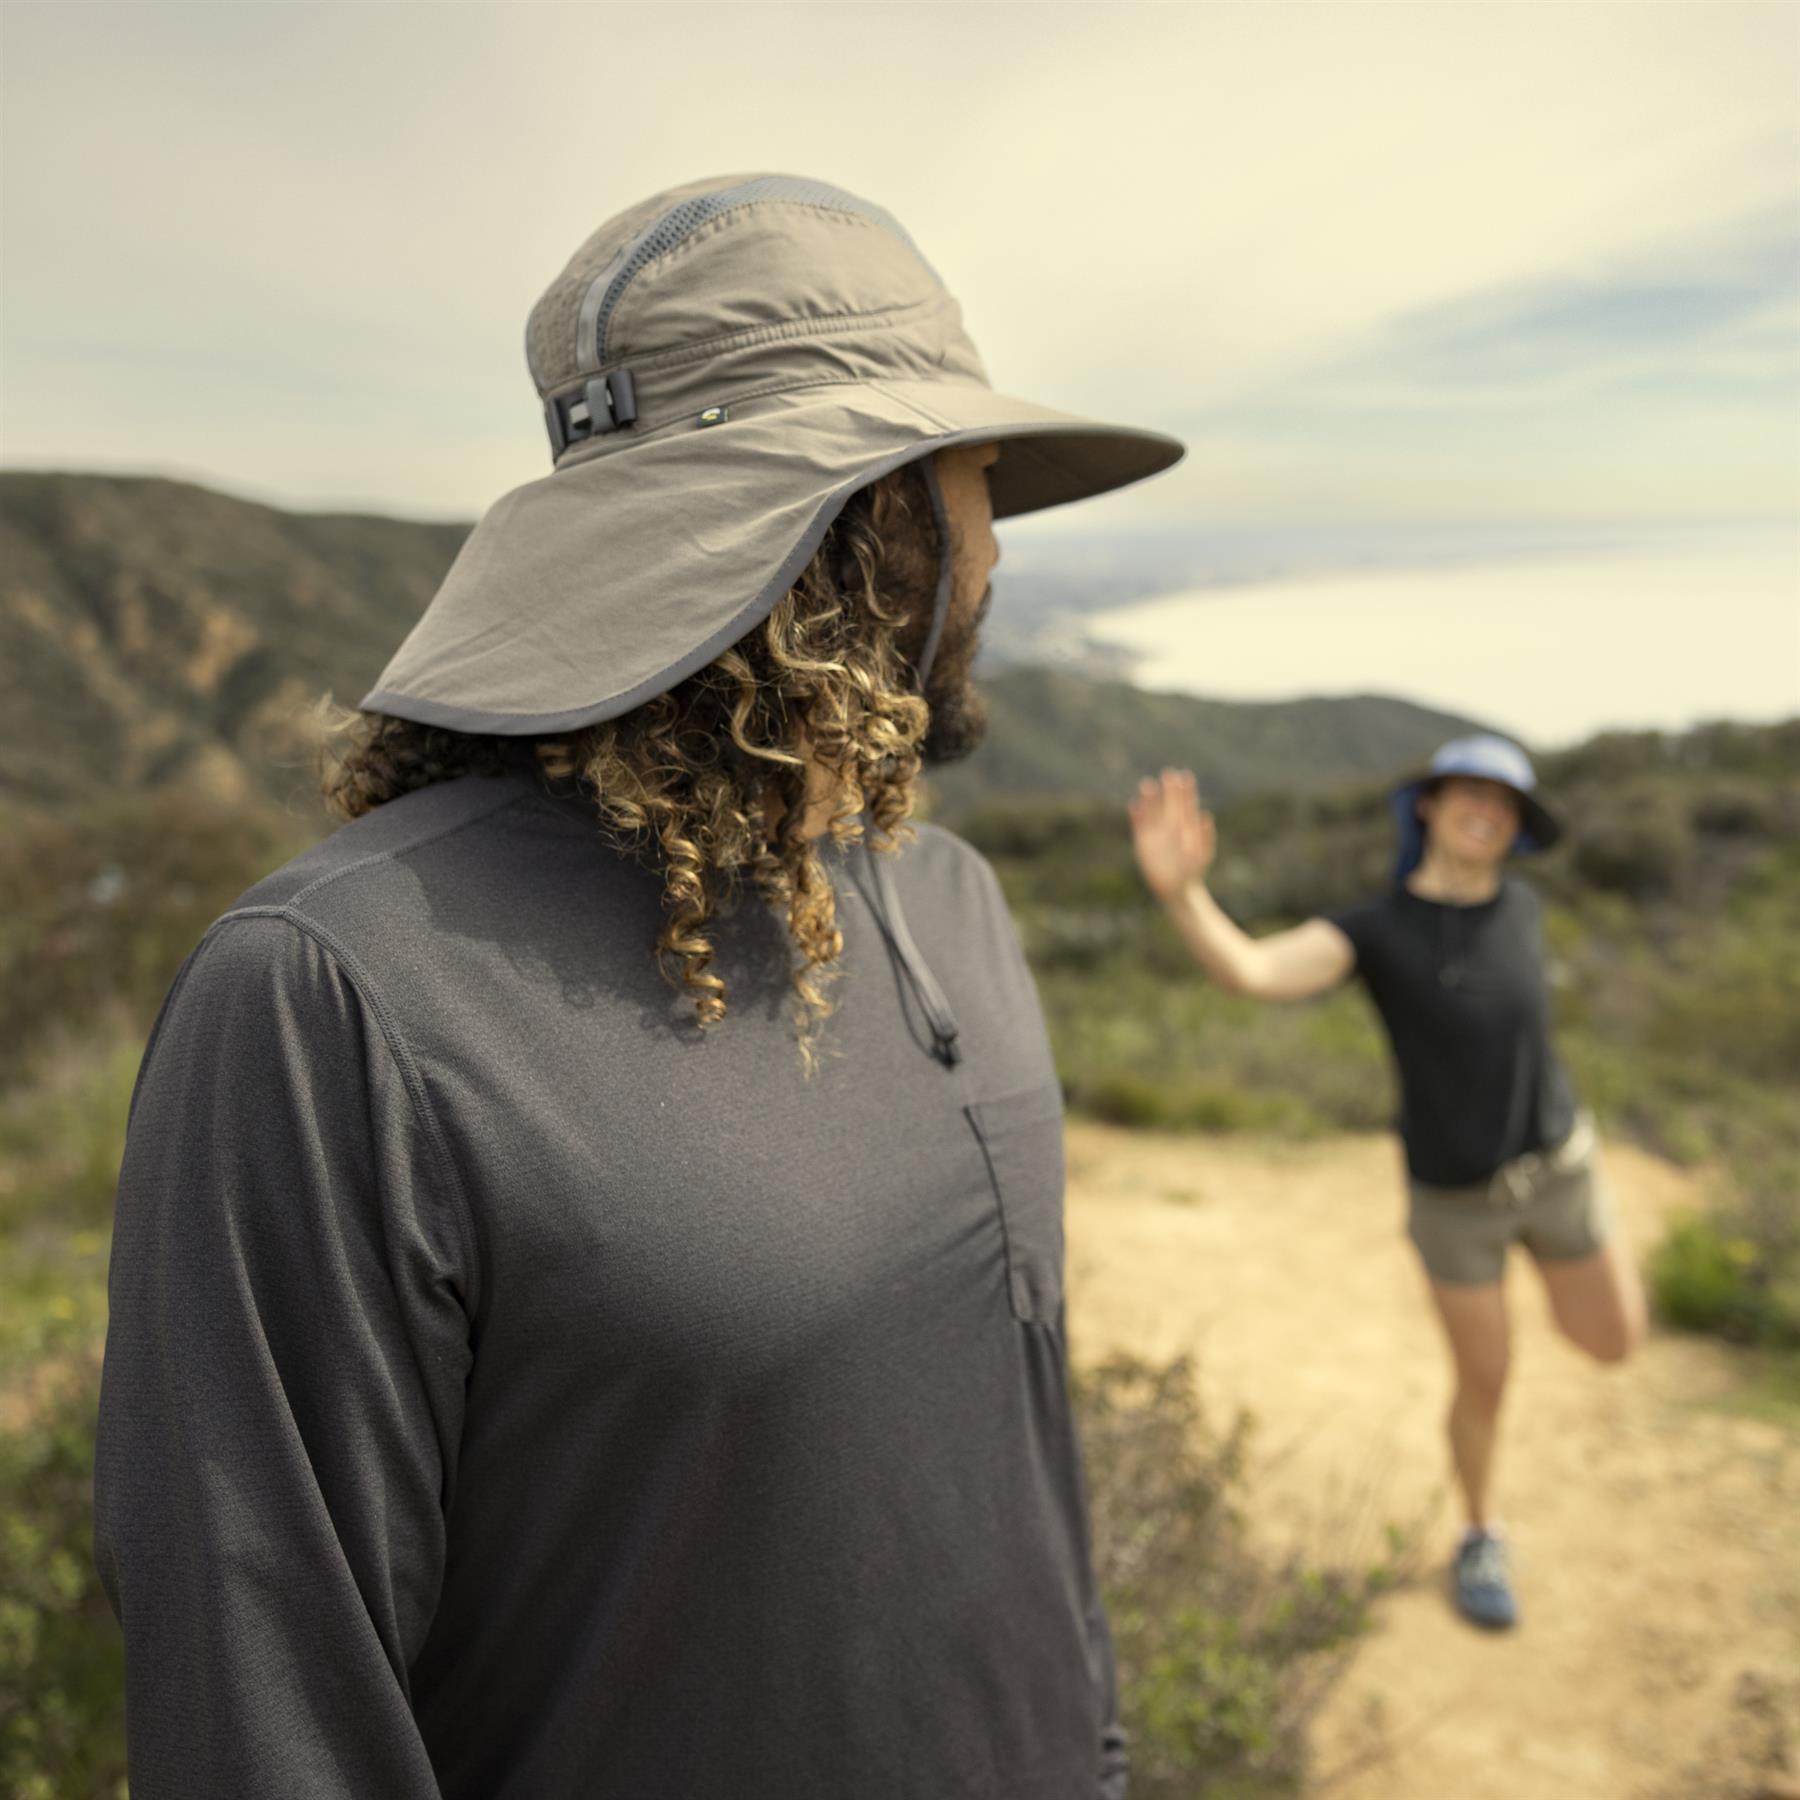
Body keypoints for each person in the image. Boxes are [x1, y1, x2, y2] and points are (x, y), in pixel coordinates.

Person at [93, 173, 1184, 1798]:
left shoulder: (950, 904)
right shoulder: (344, 1001)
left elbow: (1010, 1472)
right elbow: (266, 1721)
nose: (997, 535)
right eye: (975, 474)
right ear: (866, 517)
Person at [1127, 734, 1646, 1631]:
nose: (1487, 809)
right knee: (1488, 1378)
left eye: (1506, 801)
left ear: (1515, 826)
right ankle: (1481, 1530)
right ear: (1430, 808)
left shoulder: (1522, 908)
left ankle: (1578, 1273)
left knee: (1612, 1342)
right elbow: (1254, 971)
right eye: (1469, 792)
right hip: (1454, 1204)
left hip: (1560, 1172)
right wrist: (1185, 897)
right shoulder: (1372, 930)